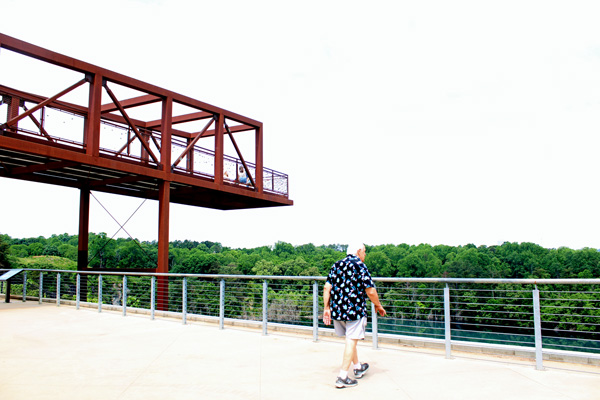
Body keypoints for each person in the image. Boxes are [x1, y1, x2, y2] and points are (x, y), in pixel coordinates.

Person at [323, 241, 386, 389]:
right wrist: (377, 305)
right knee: (351, 341)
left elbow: (327, 287)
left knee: (351, 339)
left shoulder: (337, 265)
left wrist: (326, 308)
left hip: (338, 311)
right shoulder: (360, 265)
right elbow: (370, 290)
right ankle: (342, 377)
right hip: (354, 311)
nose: (365, 254)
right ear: (358, 251)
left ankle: (357, 367)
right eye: (364, 251)